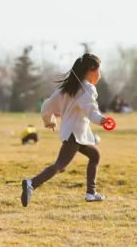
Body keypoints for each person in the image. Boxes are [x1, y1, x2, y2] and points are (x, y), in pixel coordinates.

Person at [21, 53, 109, 207]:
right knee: (60, 166)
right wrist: (102, 120)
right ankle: (31, 183)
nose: (100, 74)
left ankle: (91, 193)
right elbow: (91, 110)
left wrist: (49, 121)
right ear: (91, 70)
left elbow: (46, 106)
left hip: (74, 134)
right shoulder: (87, 89)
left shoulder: (67, 88)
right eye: (99, 70)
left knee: (95, 155)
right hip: (74, 135)